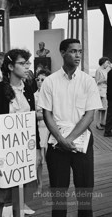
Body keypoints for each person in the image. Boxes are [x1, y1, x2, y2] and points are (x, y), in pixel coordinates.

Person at [38, 38, 102, 217]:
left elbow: (90, 115)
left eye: (80, 51)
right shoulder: (50, 81)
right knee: (58, 194)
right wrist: (60, 140)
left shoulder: (87, 81)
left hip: (81, 143)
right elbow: (47, 114)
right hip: (57, 143)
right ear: (62, 52)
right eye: (73, 51)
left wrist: (69, 140)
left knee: (85, 193)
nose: (78, 55)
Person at [0, 49, 41, 217]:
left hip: (22, 152)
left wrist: (36, 150)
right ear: (10, 66)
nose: (27, 66)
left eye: (28, 63)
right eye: (22, 63)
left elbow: (32, 122)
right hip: (1, 152)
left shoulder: (28, 89)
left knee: (19, 198)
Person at [34, 68, 51, 194]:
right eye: (38, 79)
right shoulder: (33, 95)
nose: (40, 82)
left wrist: (40, 114)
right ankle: (39, 184)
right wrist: (42, 114)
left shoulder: (51, 95)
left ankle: (53, 180)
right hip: (37, 130)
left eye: (42, 79)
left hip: (49, 130)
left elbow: (53, 114)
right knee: (38, 160)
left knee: (50, 158)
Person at [95, 57, 111, 130]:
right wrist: (103, 80)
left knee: (104, 108)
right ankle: (97, 124)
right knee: (99, 108)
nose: (107, 64)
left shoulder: (106, 70)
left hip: (105, 90)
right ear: (103, 62)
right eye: (106, 62)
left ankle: (102, 122)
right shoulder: (98, 70)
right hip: (100, 90)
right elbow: (96, 81)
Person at [104, 67, 112, 137]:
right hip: (111, 97)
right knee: (110, 114)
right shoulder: (110, 72)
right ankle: (107, 131)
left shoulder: (110, 72)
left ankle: (108, 130)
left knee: (110, 114)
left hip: (110, 96)